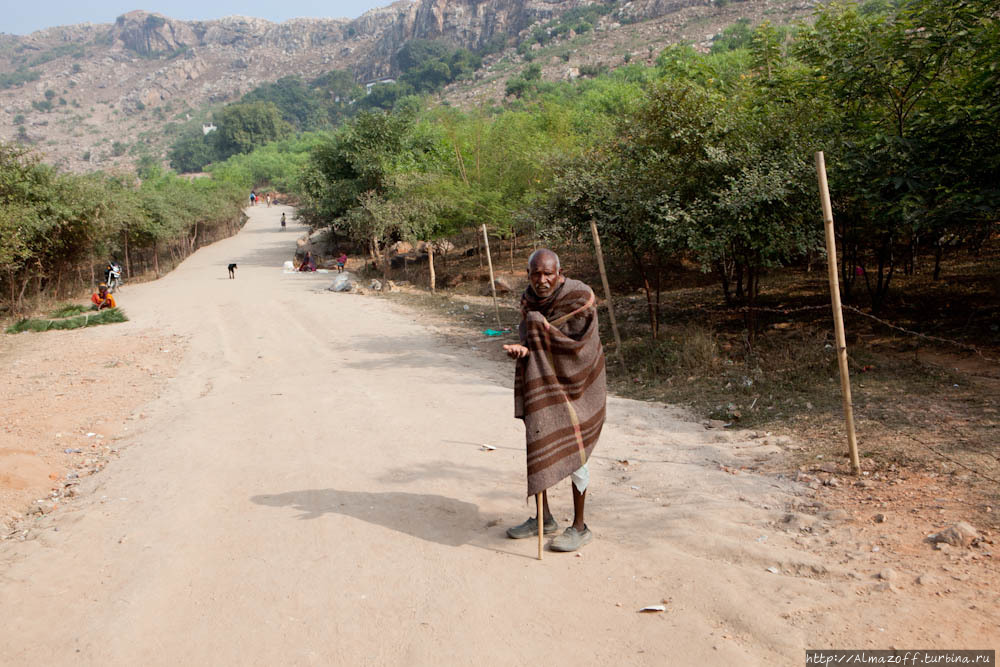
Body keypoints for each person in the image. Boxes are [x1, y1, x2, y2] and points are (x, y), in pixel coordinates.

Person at [502, 249, 606, 553]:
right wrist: (524, 350)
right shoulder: (529, 301)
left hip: (579, 384)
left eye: (548, 273)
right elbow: (533, 341)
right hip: (544, 383)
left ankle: (579, 526)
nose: (542, 280)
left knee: (577, 452)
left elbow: (581, 347)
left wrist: (540, 331)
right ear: (528, 273)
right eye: (536, 273)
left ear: (560, 272)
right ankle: (543, 518)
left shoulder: (579, 298)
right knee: (539, 442)